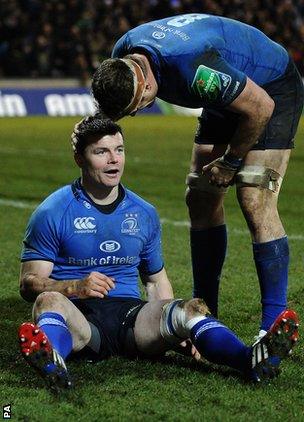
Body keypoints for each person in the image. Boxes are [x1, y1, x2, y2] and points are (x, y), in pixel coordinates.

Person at [18, 116, 299, 390]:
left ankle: (249, 359)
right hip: (79, 319)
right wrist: (74, 287)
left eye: (119, 150)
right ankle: (53, 360)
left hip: (131, 319)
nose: (114, 159)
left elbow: (154, 280)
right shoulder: (52, 211)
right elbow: (29, 284)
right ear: (80, 159)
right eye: (101, 152)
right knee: (48, 302)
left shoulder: (144, 213)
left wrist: (174, 328)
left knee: (191, 309)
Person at [91, 13, 304, 337]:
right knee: (200, 197)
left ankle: (274, 323)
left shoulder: (192, 67)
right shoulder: (124, 53)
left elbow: (260, 107)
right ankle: (207, 314)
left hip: (271, 88)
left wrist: (231, 162)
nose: (136, 112)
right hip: (226, 88)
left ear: (147, 83)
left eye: (139, 105)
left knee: (253, 198)